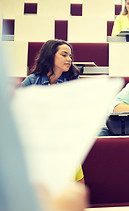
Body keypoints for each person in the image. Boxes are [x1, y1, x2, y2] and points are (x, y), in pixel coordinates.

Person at [19, 39, 84, 183]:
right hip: (37, 142)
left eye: (70, 56)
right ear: (50, 55)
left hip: (64, 140)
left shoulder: (73, 80)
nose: (69, 59)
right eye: (64, 55)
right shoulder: (31, 81)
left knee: (76, 186)